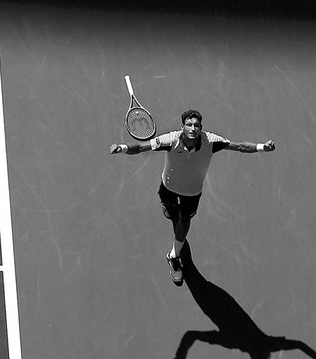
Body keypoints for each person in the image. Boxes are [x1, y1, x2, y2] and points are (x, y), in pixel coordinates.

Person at [110, 109, 275, 285]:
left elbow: (240, 146)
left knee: (184, 221)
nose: (193, 128)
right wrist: (122, 148)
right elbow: (142, 147)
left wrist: (262, 147)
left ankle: (174, 256)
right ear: (182, 127)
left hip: (192, 192)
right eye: (189, 125)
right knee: (169, 207)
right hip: (168, 186)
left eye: (196, 125)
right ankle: (170, 207)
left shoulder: (211, 141)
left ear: (201, 128)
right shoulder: (170, 140)